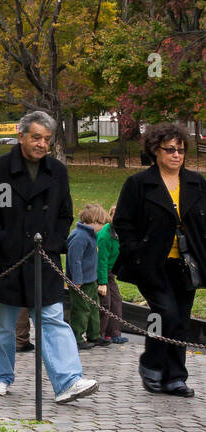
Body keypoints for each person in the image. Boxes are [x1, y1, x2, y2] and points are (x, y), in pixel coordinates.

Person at [0, 111, 97, 404]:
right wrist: (3, 242)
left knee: (53, 320)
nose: (42, 144)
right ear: (21, 136)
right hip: (5, 261)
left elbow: (65, 212)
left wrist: (52, 244)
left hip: (44, 260)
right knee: (3, 326)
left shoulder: (57, 171)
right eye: (36, 137)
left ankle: (68, 380)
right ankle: (1, 377)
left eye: (47, 139)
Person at [113, 122, 206, 397]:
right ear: (156, 151)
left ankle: (175, 376)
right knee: (165, 312)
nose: (176, 155)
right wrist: (136, 251)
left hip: (187, 264)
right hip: (152, 264)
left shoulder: (196, 182)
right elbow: (123, 222)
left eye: (180, 150)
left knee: (181, 319)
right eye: (170, 149)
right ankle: (151, 366)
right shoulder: (139, 184)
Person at [67, 204, 111, 348]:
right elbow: (75, 259)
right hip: (81, 281)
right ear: (93, 222)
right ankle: (77, 337)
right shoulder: (79, 236)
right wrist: (77, 279)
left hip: (91, 279)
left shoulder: (91, 235)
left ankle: (94, 335)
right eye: (101, 224)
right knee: (81, 310)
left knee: (93, 308)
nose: (102, 227)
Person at [96, 204, 128, 344]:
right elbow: (101, 261)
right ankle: (99, 334)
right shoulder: (105, 236)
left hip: (111, 273)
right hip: (101, 272)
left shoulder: (122, 233)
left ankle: (114, 333)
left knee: (116, 301)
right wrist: (102, 283)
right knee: (105, 304)